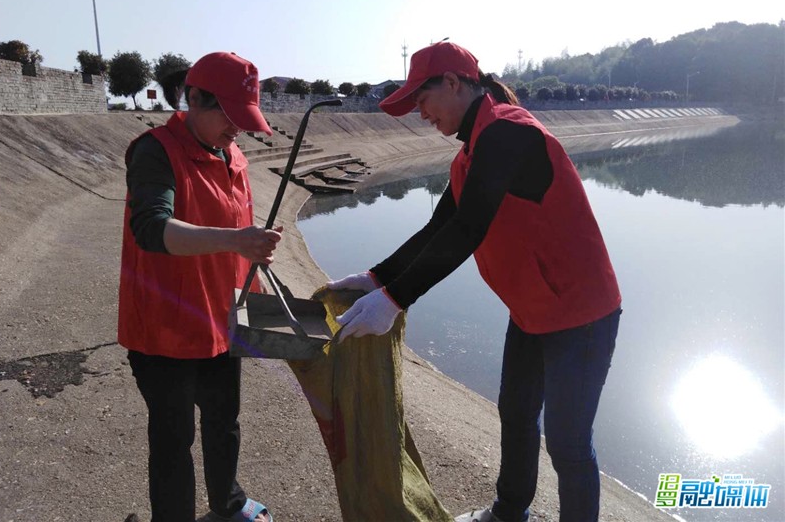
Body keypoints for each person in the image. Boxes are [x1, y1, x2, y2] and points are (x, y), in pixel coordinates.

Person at [327, 42, 622, 522]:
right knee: (517, 415)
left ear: (453, 82)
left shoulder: (508, 131)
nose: (421, 113)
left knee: (567, 442)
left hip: (581, 313)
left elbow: (469, 228)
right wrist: (376, 278)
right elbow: (438, 228)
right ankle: (509, 512)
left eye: (422, 100)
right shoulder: (471, 153)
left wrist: (395, 300)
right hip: (532, 310)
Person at [118, 52, 280, 522]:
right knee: (174, 438)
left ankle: (228, 505)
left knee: (224, 420)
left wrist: (254, 260)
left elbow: (237, 231)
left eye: (244, 118)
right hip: (164, 328)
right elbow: (151, 228)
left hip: (221, 320)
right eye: (229, 116)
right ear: (193, 99)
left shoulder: (234, 156)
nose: (238, 128)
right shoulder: (155, 151)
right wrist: (236, 240)